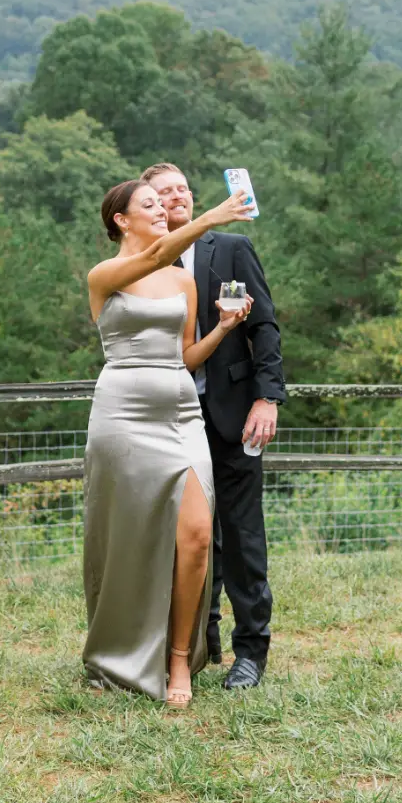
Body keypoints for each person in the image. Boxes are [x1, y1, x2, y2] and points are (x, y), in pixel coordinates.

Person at [83, 178, 254, 707]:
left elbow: (183, 357)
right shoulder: (105, 275)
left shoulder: (183, 282)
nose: (163, 210)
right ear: (120, 220)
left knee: (198, 534)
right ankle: (118, 650)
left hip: (179, 411)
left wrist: (223, 329)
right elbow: (157, 252)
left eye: (165, 203)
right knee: (126, 537)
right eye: (150, 204)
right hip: (122, 412)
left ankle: (180, 657)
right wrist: (210, 218)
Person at [142, 163, 285, 690]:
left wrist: (267, 398)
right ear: (147, 206)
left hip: (234, 414)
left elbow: (264, 325)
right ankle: (202, 642)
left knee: (243, 533)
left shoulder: (231, 248)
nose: (175, 196)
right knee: (192, 538)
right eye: (162, 192)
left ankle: (252, 651)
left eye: (182, 188)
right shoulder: (146, 264)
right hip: (172, 420)